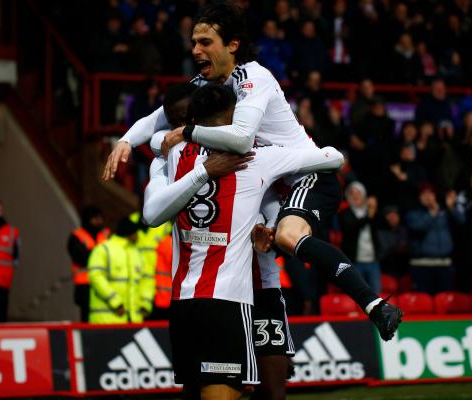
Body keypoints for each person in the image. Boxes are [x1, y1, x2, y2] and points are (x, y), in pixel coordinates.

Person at [103, 3, 402, 342]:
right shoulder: (205, 81)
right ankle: (267, 348)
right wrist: (126, 141)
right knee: (259, 246)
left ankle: (374, 305)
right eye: (194, 42)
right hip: (268, 181)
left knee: (286, 238)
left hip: (303, 173)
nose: (195, 50)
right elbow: (158, 117)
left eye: (205, 42)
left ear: (232, 45)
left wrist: (186, 133)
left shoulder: (253, 77)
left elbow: (242, 138)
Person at [146, 84, 344, 400]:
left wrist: (268, 220)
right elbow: (333, 158)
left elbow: (152, 206)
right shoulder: (256, 156)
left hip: (188, 298)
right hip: (228, 299)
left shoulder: (171, 155)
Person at [87, 216, 154, 323]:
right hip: (105, 321)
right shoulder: (103, 250)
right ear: (130, 233)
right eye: (137, 232)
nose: (139, 236)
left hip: (133, 321)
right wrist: (115, 302)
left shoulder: (137, 254)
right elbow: (96, 277)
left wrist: (145, 305)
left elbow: (146, 280)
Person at [67, 206, 109, 322]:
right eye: (95, 218)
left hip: (103, 283)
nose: (99, 221)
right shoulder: (76, 236)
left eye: (101, 218)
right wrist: (99, 255)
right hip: (85, 284)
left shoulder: (105, 234)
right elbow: (80, 258)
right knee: (86, 317)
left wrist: (91, 253)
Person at [339, 182, 381, 293]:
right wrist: (369, 216)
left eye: (358, 192)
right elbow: (351, 227)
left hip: (373, 261)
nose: (355, 195)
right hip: (355, 262)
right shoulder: (345, 213)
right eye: (352, 193)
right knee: (356, 293)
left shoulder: (372, 212)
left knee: (376, 294)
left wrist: (374, 210)